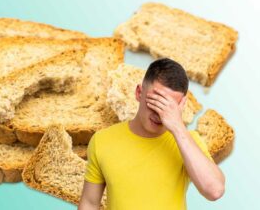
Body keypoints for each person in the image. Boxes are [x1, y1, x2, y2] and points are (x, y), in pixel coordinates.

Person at [78, 58, 225, 210]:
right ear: (139, 93)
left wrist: (177, 127)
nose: (159, 114)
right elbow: (90, 203)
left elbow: (214, 190)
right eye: (154, 102)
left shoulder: (188, 142)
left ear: (181, 106)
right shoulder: (102, 141)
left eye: (167, 107)